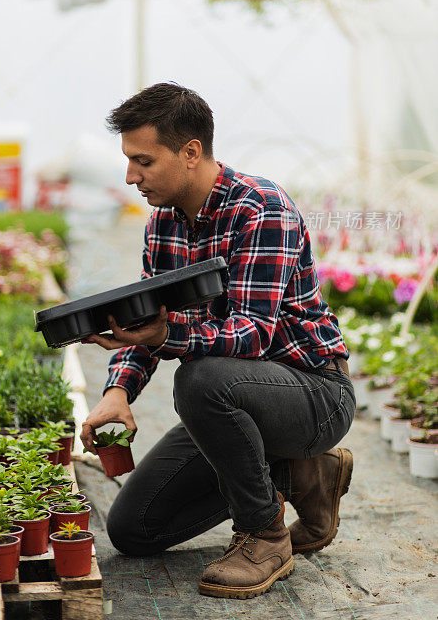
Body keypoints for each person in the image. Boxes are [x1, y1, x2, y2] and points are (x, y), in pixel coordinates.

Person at [81, 82, 355, 600]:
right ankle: (303, 475)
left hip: (315, 394)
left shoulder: (261, 208)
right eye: (128, 160)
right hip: (235, 402)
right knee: (134, 530)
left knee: (201, 378)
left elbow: (252, 335)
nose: (130, 176)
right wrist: (117, 392)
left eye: (143, 160)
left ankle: (264, 535)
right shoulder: (164, 221)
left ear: (190, 153)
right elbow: (152, 322)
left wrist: (167, 334)